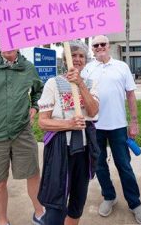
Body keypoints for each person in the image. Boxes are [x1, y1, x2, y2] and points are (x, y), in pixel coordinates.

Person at [0, 48, 45, 225]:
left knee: (32, 173)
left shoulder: (28, 67)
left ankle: (40, 212)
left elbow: (38, 90)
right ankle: (3, 220)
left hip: (22, 131)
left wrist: (35, 106)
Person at [81, 35, 141, 225]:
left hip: (118, 126)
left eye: (103, 44)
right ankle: (109, 196)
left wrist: (134, 122)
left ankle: (135, 203)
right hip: (95, 126)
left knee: (124, 166)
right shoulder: (87, 69)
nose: (100, 47)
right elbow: (82, 95)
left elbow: (130, 95)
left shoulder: (122, 67)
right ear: (92, 49)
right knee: (100, 165)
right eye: (96, 45)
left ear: (108, 46)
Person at [37, 41, 99, 225]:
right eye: (74, 55)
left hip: (84, 148)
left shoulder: (90, 83)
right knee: (56, 203)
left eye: (81, 56)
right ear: (66, 59)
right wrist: (68, 124)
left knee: (78, 202)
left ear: (86, 60)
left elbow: (93, 111)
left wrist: (80, 83)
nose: (78, 59)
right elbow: (43, 121)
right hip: (60, 149)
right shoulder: (53, 83)